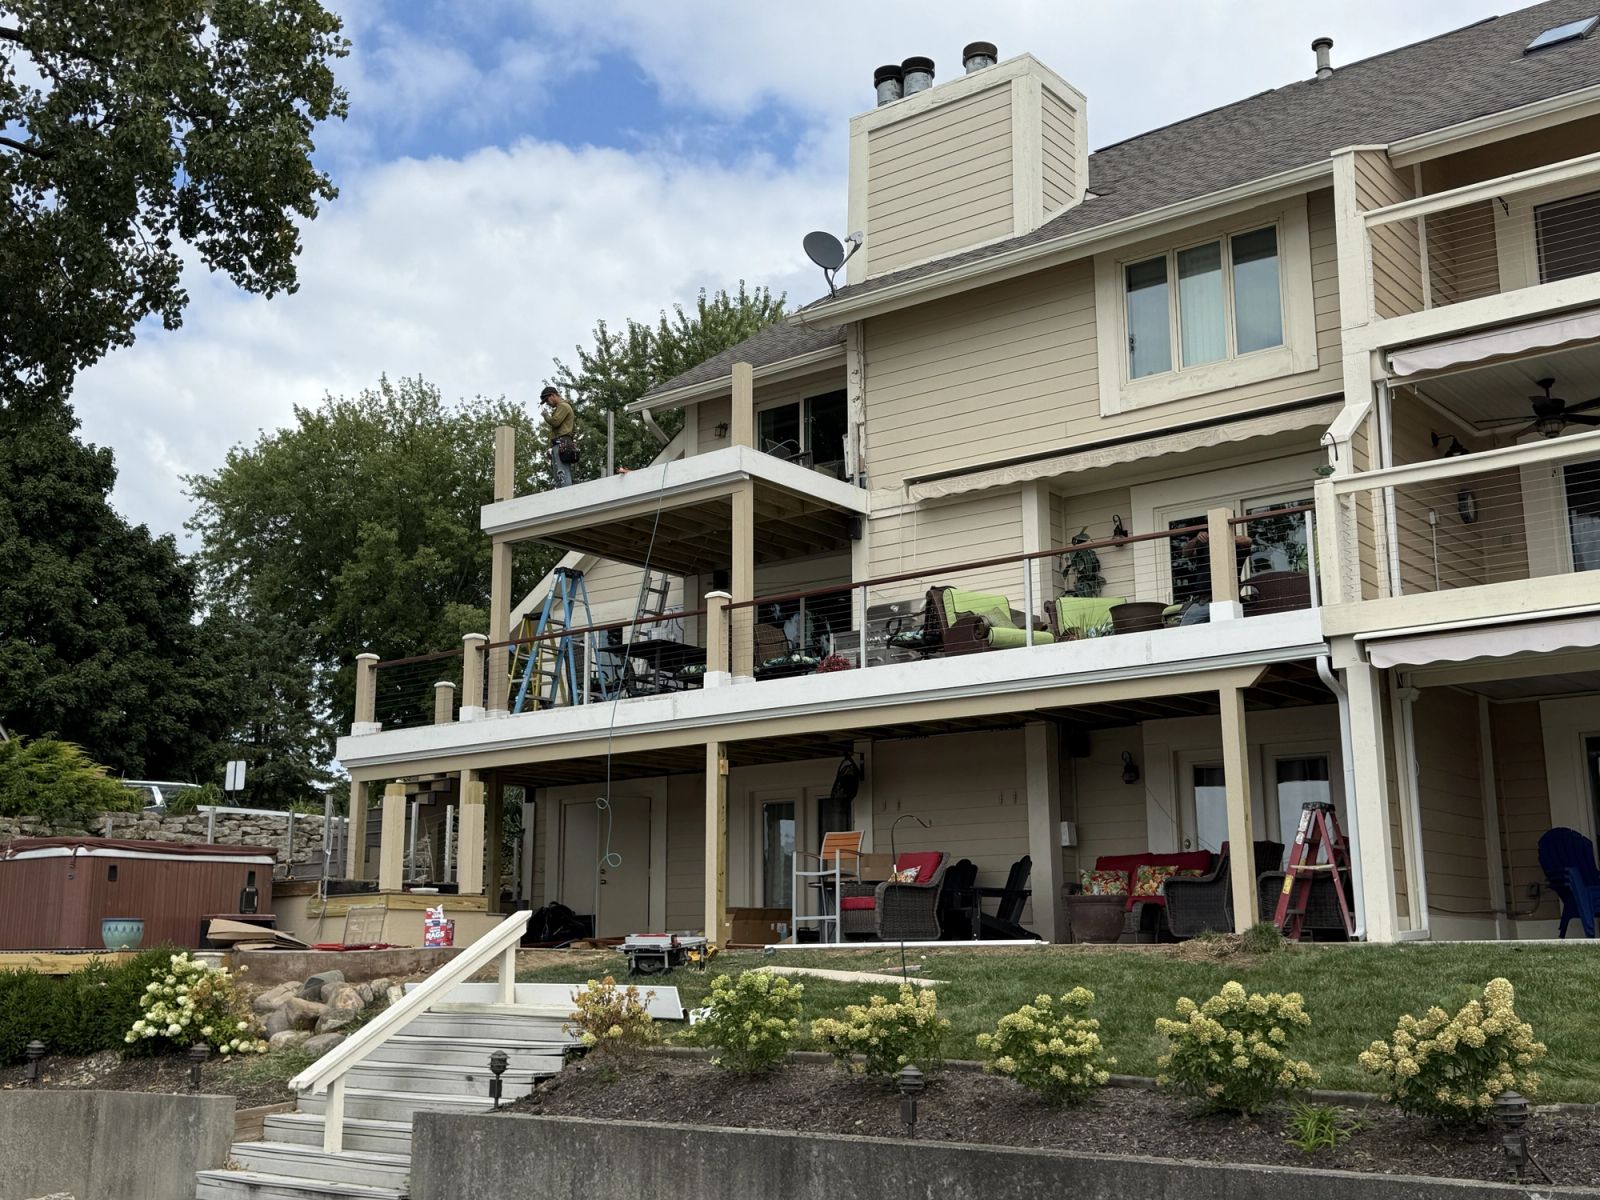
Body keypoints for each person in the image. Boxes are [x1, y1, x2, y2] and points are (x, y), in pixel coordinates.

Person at [539, 385, 576, 487]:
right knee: (558, 475)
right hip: (560, 443)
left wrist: (546, 415)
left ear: (553, 396)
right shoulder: (563, 407)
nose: (547, 403)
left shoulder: (563, 406)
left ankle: (566, 496)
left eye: (547, 400)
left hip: (562, 443)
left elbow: (555, 422)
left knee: (562, 473)